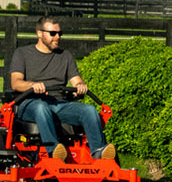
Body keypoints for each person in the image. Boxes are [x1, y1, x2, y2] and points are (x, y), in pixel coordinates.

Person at [10, 16, 116, 161]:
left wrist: (80, 86)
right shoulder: (22, 53)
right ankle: (54, 150)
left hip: (59, 104)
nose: (57, 37)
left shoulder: (65, 56)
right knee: (41, 107)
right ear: (39, 34)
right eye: (53, 33)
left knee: (89, 110)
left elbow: (76, 80)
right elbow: (16, 83)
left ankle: (98, 152)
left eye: (60, 33)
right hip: (30, 103)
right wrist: (32, 85)